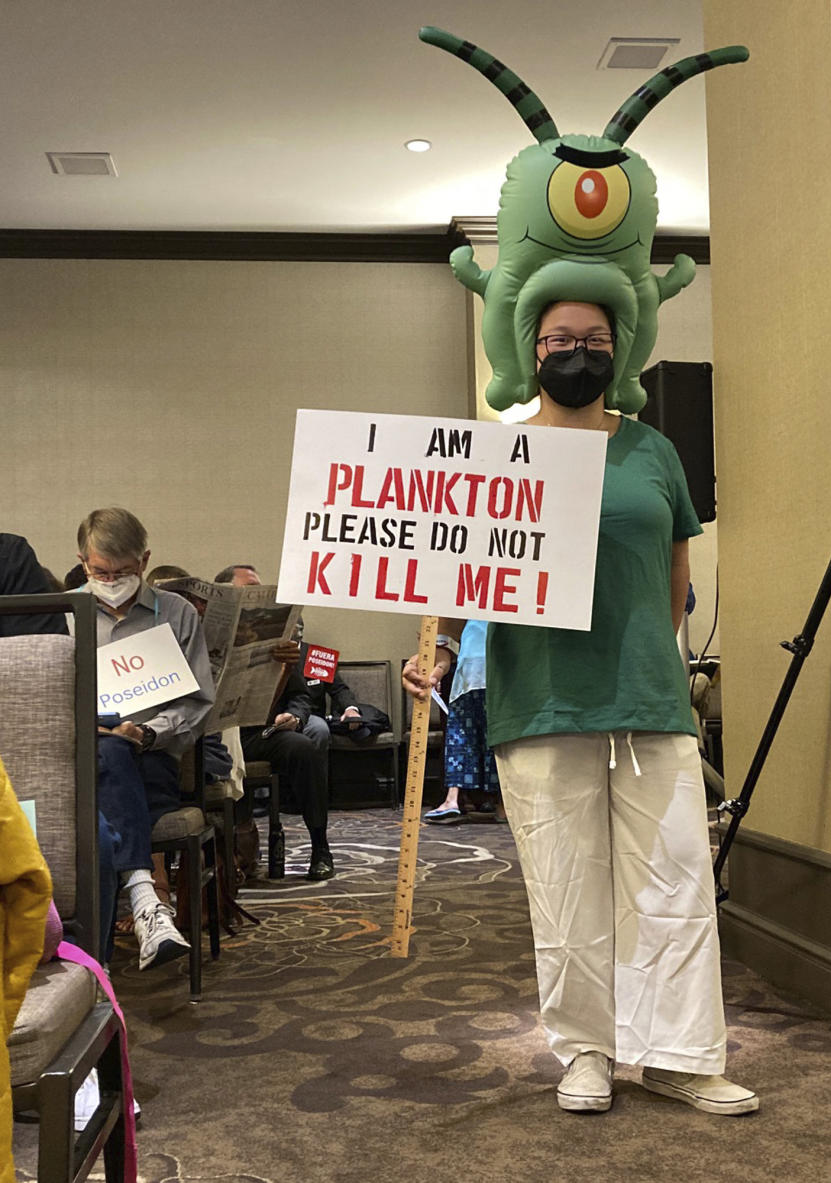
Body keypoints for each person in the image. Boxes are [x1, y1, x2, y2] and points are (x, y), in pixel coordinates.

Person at [405, 301, 757, 1117]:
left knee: (674, 879)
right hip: (541, 698)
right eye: (560, 341)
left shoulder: (653, 451)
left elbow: (675, 571)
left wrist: (640, 653)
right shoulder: (495, 454)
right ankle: (586, 1050)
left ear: (618, 351)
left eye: (594, 341)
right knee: (565, 885)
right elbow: (460, 573)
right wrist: (442, 650)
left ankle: (681, 1054)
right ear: (531, 351)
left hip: (648, 698)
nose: (577, 353)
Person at [77, 507, 215, 971]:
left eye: (124, 571)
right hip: (84, 758)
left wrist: (151, 731)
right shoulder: (66, 616)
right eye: (100, 572)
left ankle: (129, 905)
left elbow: (198, 702)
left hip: (151, 753)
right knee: (106, 748)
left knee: (119, 750)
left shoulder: (175, 614)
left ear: (145, 560)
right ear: (82, 562)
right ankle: (146, 900)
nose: (112, 580)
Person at [214, 563, 349, 881]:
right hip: (215, 736)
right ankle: (225, 851)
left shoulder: (278, 641)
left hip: (260, 732)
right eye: (248, 589)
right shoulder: (208, 635)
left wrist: (296, 716)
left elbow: (301, 696)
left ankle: (320, 847)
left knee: (303, 746)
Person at [423, 619, 503, 824]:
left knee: (491, 739)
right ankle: (453, 799)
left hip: (491, 670)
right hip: (469, 672)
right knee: (460, 737)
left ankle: (497, 802)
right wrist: (437, 671)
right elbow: (445, 636)